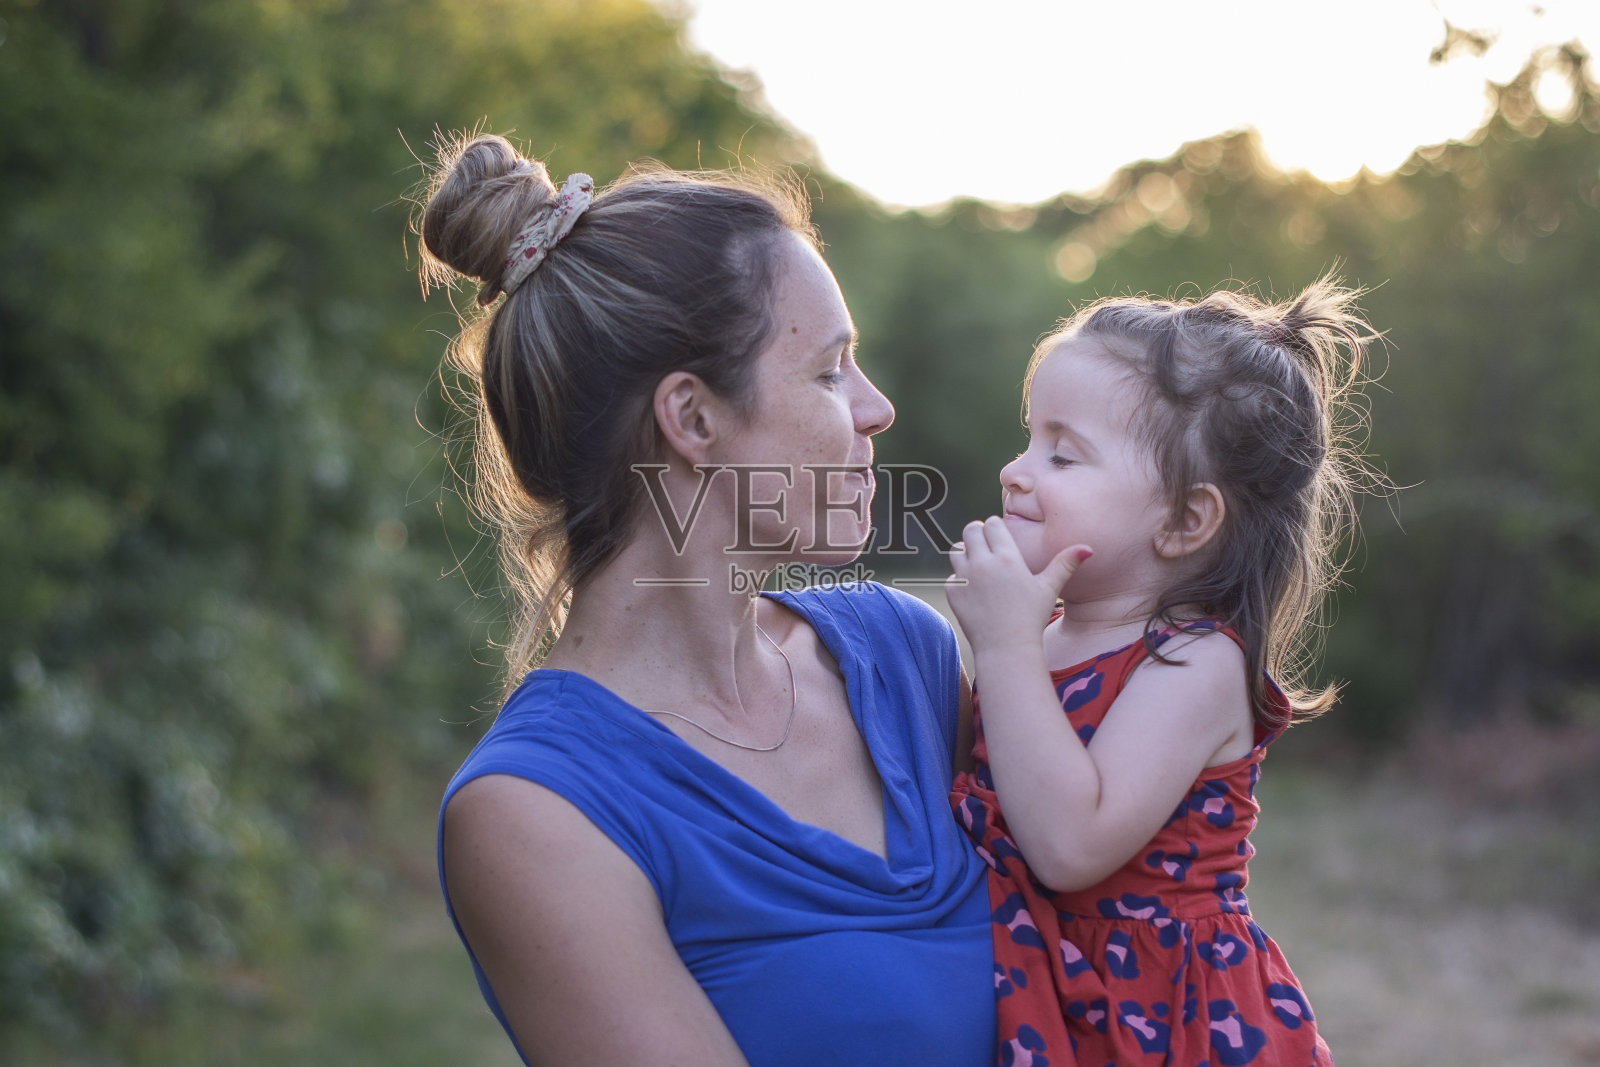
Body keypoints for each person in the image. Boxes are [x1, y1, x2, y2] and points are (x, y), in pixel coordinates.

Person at [415, 133, 995, 1067]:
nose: (876, 408)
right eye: (830, 370)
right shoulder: (536, 813)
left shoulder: (908, 657)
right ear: (692, 418)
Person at [947, 278, 1377, 1066]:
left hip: (1165, 1016)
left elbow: (1070, 844)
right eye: (1028, 438)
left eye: (1063, 453)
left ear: (1185, 520)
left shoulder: (1196, 659)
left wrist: (1003, 650)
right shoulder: (1041, 638)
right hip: (1054, 990)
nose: (1016, 470)